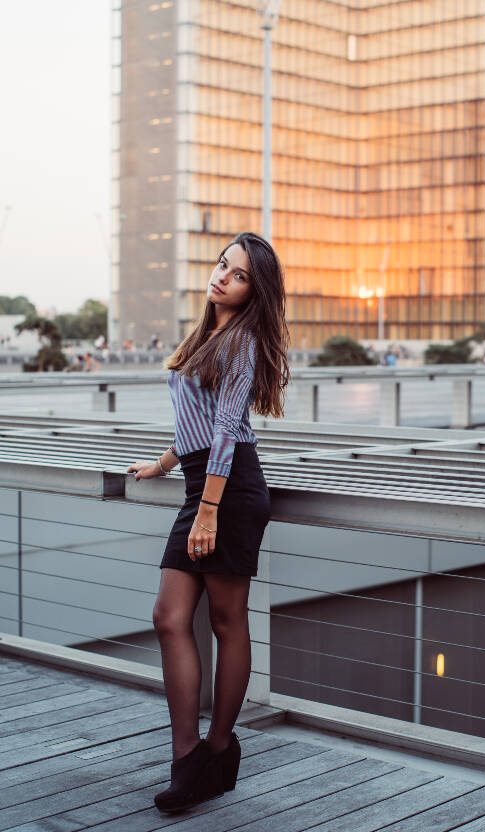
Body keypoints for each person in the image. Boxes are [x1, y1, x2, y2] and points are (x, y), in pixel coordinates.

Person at [126, 232, 290, 813]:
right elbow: (194, 420)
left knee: (225, 620)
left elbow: (226, 431)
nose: (223, 276)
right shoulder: (207, 333)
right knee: (170, 616)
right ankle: (190, 754)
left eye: (239, 274)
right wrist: (164, 463)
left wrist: (210, 508)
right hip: (203, 484)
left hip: (230, 490)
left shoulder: (242, 341)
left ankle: (218, 747)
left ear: (256, 291)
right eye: (223, 264)